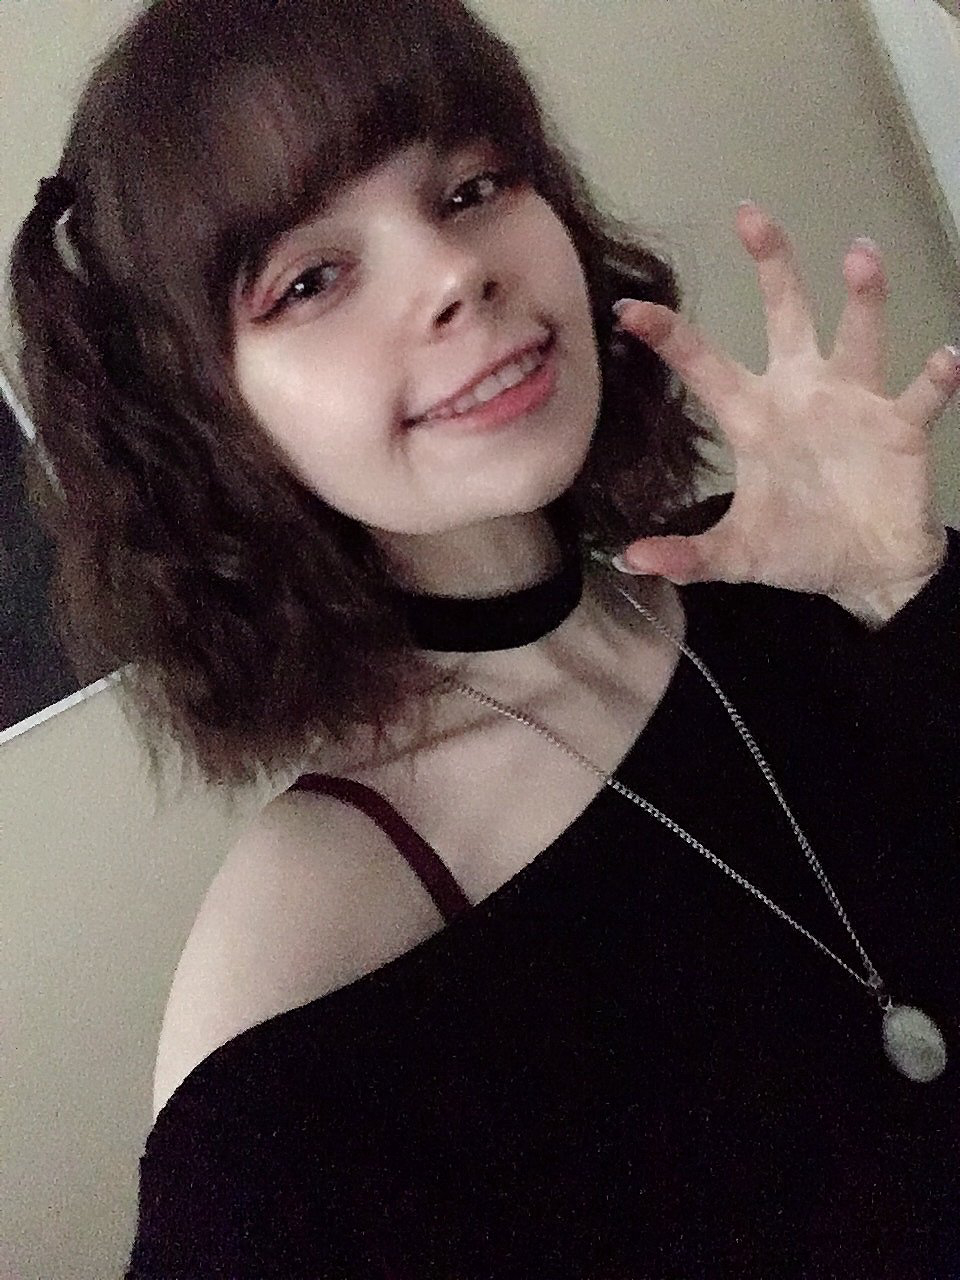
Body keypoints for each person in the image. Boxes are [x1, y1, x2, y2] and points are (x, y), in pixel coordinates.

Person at [9, 1, 960, 1276]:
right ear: (202, 418)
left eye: (471, 188)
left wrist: (910, 592)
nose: (455, 273)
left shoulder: (787, 578)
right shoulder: (305, 971)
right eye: (310, 278)